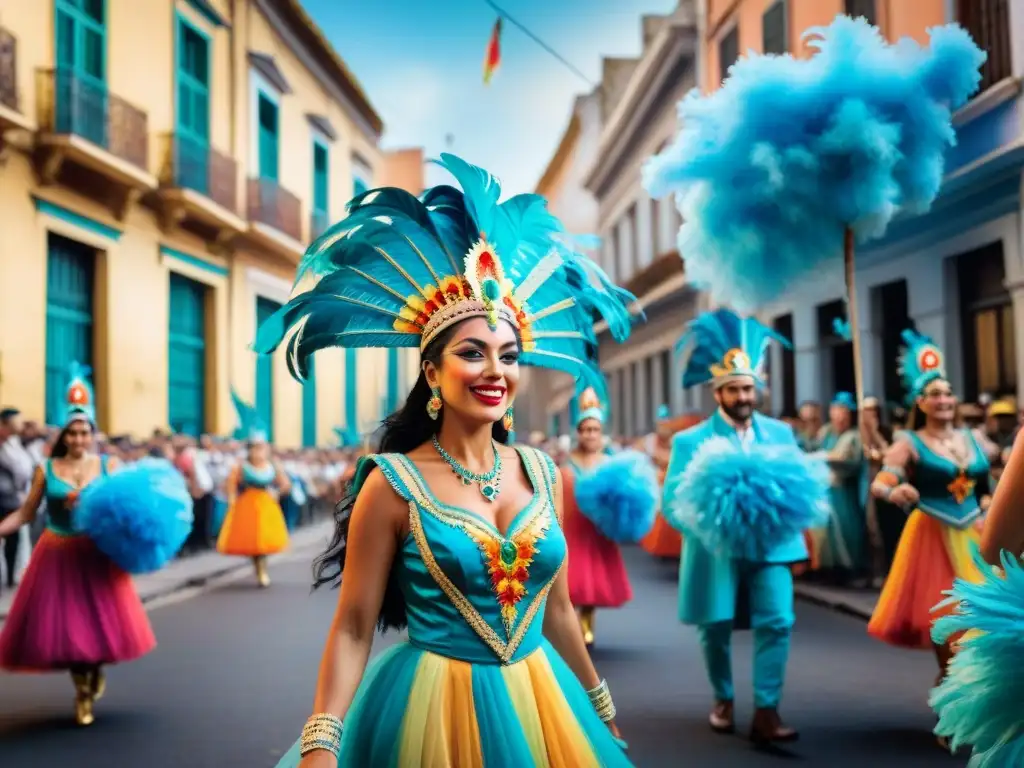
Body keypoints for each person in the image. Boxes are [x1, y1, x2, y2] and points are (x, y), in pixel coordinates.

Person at [256, 154, 636, 766]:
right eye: (472, 353)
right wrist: (323, 739)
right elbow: (353, 625)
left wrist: (600, 706)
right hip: (429, 714)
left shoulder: (544, 473)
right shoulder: (392, 486)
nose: (495, 372)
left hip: (544, 706)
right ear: (432, 373)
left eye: (508, 355)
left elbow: (560, 610)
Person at [662, 309, 805, 745]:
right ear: (717, 392)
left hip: (770, 547)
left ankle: (767, 709)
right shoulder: (690, 441)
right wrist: (710, 523)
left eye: (748, 388)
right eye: (734, 389)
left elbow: (799, 492)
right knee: (715, 625)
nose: (744, 396)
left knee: (778, 620)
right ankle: (723, 697)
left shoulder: (780, 435)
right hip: (715, 549)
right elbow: (672, 503)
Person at [0, 365, 156, 726]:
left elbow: (126, 509)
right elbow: (25, 513)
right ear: (64, 435)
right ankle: (82, 693)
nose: (78, 438)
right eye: (72, 432)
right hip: (56, 554)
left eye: (84, 432)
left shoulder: (109, 465)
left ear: (92, 434)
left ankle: (94, 672)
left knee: (98, 625)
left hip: (96, 555)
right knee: (70, 629)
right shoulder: (46, 469)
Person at [865, 330, 990, 750]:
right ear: (920, 403)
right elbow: (883, 480)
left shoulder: (974, 440)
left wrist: (989, 502)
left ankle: (964, 705)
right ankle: (951, 713)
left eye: (948, 393)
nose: (943, 400)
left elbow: (989, 484)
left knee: (985, 630)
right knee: (954, 632)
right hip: (932, 539)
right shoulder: (909, 443)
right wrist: (893, 490)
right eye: (934, 394)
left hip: (977, 538)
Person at [561, 387, 633, 647]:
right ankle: (571, 629)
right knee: (571, 581)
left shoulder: (609, 464)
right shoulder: (566, 463)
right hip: (572, 528)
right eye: (586, 430)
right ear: (578, 432)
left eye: (595, 430)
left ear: (602, 433)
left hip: (598, 529)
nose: (590, 434)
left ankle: (587, 625)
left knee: (592, 580)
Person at [216, 392, 291, 588]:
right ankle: (258, 568)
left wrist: (276, 493)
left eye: (260, 447)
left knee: (264, 540)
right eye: (254, 447)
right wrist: (232, 498)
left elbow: (285, 484)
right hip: (247, 505)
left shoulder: (273, 465)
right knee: (252, 540)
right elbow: (230, 484)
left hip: (266, 505)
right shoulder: (241, 466)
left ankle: (262, 569)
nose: (257, 451)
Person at [811, 392, 865, 584]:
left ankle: (850, 569)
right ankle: (828, 568)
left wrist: (824, 457)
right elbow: (814, 447)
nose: (840, 417)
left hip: (843, 490)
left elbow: (847, 459)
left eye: (845, 412)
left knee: (846, 528)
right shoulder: (826, 432)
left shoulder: (854, 436)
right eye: (837, 411)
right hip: (824, 489)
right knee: (825, 530)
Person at [0, 408, 34, 592]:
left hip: (11, 501)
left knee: (13, 542)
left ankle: (10, 578)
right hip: (5, 499)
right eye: (15, 422)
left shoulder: (14, 444)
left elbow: (24, 469)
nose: (19, 426)